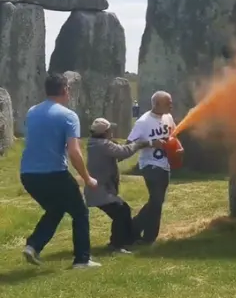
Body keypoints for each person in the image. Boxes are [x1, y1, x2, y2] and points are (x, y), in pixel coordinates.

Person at [19, 73, 101, 269]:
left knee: (56, 209)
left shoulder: (32, 112)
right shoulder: (68, 116)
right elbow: (74, 152)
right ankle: (82, 260)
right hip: (54, 173)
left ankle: (33, 245)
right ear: (65, 90)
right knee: (80, 213)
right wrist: (87, 178)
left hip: (28, 174)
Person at [84, 117, 160, 254]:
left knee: (123, 210)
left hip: (100, 189)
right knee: (121, 211)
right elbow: (124, 152)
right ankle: (117, 245)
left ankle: (129, 239)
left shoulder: (95, 143)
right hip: (100, 190)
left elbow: (116, 155)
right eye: (110, 130)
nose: (112, 132)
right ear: (105, 132)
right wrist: (143, 143)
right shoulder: (103, 145)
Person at [128, 91, 182, 244]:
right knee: (157, 200)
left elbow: (174, 135)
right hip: (150, 165)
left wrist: (179, 148)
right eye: (168, 103)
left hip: (166, 165)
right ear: (156, 104)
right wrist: (151, 143)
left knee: (157, 202)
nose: (171, 105)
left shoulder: (168, 117)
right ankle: (137, 230)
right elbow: (130, 144)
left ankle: (143, 235)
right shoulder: (143, 122)